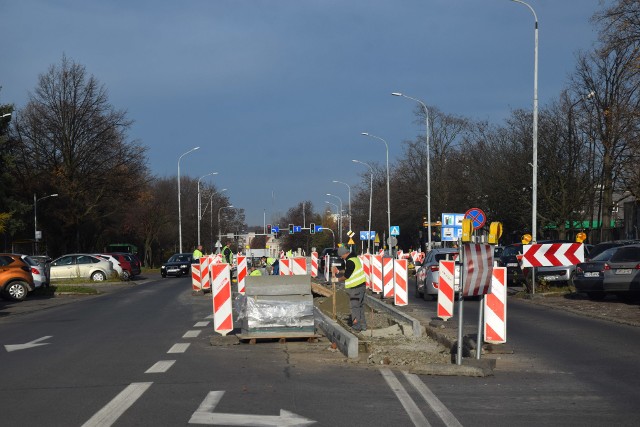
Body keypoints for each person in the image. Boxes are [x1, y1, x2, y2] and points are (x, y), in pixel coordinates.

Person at [332, 246, 367, 332]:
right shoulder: (355, 258)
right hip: (361, 286)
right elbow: (349, 270)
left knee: (354, 307)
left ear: (344, 253)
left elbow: (347, 276)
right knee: (360, 306)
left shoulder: (350, 261)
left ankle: (356, 326)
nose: (341, 257)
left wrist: (337, 279)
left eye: (341, 256)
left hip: (355, 288)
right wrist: (339, 271)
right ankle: (363, 325)